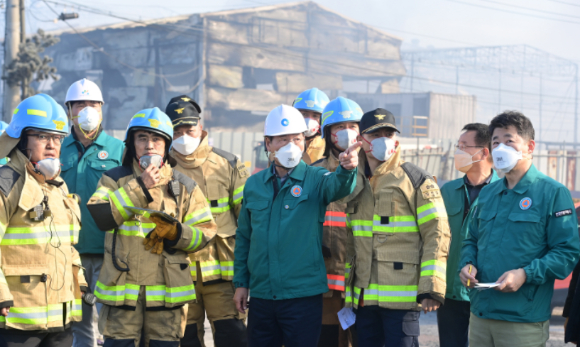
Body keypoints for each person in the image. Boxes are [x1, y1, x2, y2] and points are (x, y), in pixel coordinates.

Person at [86, 107, 218, 347]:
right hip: (122, 299)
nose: (149, 145)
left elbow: (206, 233)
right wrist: (141, 188)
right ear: (132, 143)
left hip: (166, 300)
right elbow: (101, 216)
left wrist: (177, 234)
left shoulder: (185, 186)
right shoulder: (113, 179)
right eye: (142, 138)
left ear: (166, 145)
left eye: (156, 139)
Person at [233, 104, 360, 347]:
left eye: (297, 139)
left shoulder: (316, 178)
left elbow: (339, 186)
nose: (291, 146)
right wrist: (241, 283)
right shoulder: (254, 184)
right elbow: (245, 238)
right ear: (268, 143)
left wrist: (347, 168)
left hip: (302, 296)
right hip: (261, 295)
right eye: (282, 140)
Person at [459, 111, 580, 347]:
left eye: (509, 140)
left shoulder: (552, 193)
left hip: (522, 320)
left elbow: (566, 253)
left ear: (529, 146)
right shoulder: (488, 193)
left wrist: (525, 274)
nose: (500, 147)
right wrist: (467, 264)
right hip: (481, 315)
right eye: (495, 142)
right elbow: (471, 239)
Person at [344, 108, 450, 347]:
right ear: (361, 141)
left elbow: (437, 233)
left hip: (402, 299)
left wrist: (431, 287)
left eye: (388, 134)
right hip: (362, 300)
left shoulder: (416, 180)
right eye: (375, 134)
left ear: (396, 140)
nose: (383, 139)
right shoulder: (351, 180)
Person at [0, 94, 88, 347]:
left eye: (58, 138)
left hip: (60, 317)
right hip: (18, 318)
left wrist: (79, 282)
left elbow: (66, 244)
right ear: (20, 139)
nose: (52, 145)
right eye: (42, 136)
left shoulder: (58, 186)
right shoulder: (6, 183)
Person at [166, 95, 248, 347]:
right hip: (179, 274)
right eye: (176, 130)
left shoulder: (228, 163)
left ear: (200, 126)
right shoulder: (160, 168)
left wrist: (245, 275)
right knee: (186, 340)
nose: (184, 136)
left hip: (223, 276)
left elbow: (246, 222)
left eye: (189, 129)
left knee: (232, 337)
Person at [60, 78, 125, 347]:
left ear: (101, 109)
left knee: (112, 322)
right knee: (79, 325)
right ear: (69, 111)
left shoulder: (119, 149)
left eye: (93, 104)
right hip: (70, 253)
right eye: (80, 104)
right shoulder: (57, 148)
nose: (87, 109)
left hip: (108, 252)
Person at [438, 123, 499, 347]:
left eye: (464, 146)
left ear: (484, 152)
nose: (458, 151)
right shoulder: (447, 191)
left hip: (483, 291)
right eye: (458, 146)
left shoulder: (502, 192)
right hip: (450, 292)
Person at [311, 97, 364, 347]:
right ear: (327, 133)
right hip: (328, 285)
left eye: (353, 126)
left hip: (365, 282)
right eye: (338, 127)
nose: (346, 133)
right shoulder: (314, 173)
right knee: (329, 341)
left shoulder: (373, 172)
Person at [292, 88, 330, 164]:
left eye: (315, 116)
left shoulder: (329, 147)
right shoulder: (284, 143)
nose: (309, 121)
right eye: (304, 114)